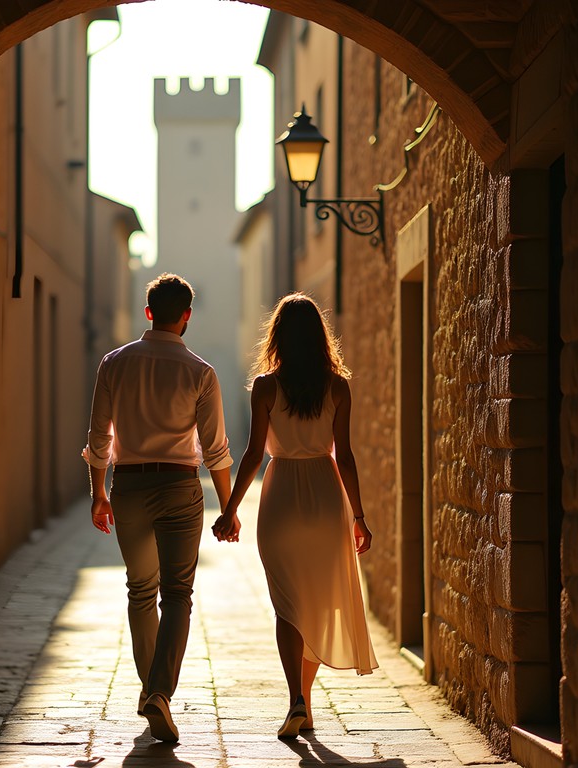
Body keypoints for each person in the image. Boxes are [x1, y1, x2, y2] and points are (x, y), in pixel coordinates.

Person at [212, 292, 377, 739]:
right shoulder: (338, 387)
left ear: (278, 336)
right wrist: (358, 516)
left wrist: (230, 509)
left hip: (281, 494)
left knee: (287, 605)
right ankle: (304, 700)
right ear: (320, 337)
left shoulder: (266, 386)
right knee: (318, 604)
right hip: (325, 497)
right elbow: (345, 456)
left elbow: (250, 455)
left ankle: (296, 701)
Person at [83, 273, 233, 743]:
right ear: (186, 315)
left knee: (140, 590)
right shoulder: (201, 373)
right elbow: (216, 451)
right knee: (178, 595)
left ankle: (151, 689)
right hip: (180, 489)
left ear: (148, 312)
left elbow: (98, 438)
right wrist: (227, 509)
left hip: (127, 487)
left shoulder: (114, 363)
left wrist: (99, 493)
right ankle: (159, 693)